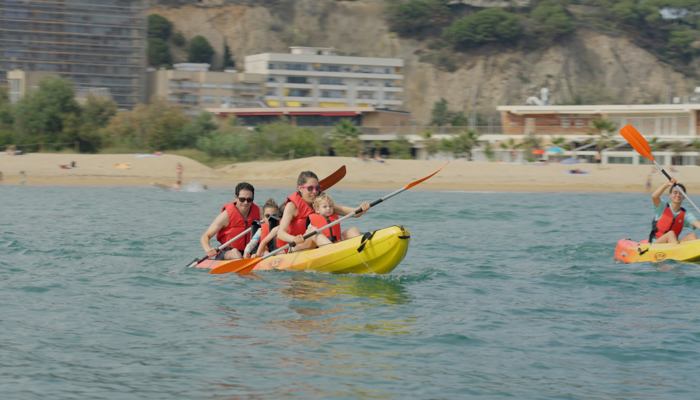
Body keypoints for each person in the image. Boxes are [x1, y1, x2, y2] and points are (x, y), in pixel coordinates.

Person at [276, 171, 370, 252]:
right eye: (310, 188)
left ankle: (362, 252)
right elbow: (281, 233)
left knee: (352, 230)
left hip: (322, 245)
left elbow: (354, 213)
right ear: (300, 188)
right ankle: (334, 253)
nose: (314, 192)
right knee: (313, 231)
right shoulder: (292, 206)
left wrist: (361, 208)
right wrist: (294, 239)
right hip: (298, 248)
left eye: (317, 188)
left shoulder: (323, 202)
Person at [200, 182, 259, 260]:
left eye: (249, 199)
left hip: (249, 252)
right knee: (235, 252)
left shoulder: (258, 212)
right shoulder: (225, 216)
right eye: (242, 199)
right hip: (227, 253)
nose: (245, 202)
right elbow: (205, 237)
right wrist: (208, 249)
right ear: (236, 197)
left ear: (253, 198)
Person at [649, 178, 700, 244]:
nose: (678, 195)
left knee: (693, 236)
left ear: (684, 196)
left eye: (681, 193)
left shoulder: (685, 215)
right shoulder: (662, 206)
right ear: (670, 195)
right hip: (656, 245)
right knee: (671, 234)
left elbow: (698, 224)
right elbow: (654, 197)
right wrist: (666, 184)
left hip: (672, 245)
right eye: (675, 193)